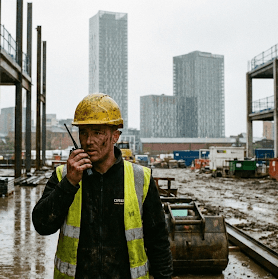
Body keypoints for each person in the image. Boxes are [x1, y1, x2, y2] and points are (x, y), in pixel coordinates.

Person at [32, 93, 173, 279]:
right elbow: (42, 226)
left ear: (115, 136)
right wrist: (69, 184)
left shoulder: (140, 178)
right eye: (84, 132)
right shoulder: (63, 176)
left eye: (97, 133)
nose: (88, 141)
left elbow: (158, 242)